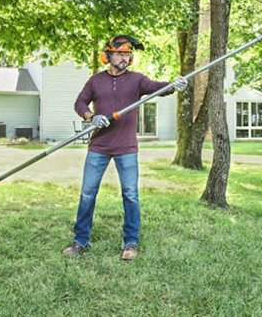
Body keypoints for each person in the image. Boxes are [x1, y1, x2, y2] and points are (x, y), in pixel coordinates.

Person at [63, 34, 187, 260]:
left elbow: (157, 87)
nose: (124, 57)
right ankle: (80, 241)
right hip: (98, 145)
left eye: (127, 54)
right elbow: (79, 103)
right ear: (108, 55)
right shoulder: (95, 81)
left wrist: (173, 85)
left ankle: (130, 242)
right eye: (119, 53)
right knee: (88, 193)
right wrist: (92, 116)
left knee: (130, 195)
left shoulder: (137, 80)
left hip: (126, 147)